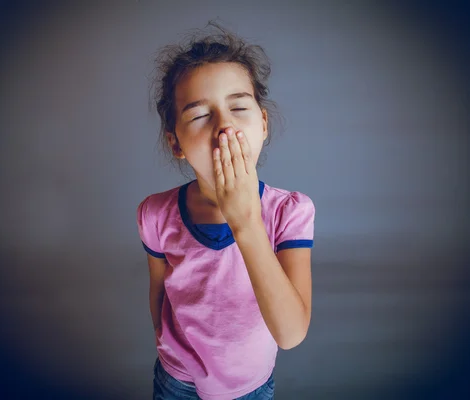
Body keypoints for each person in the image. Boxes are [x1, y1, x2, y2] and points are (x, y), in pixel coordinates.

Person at [137, 22, 315, 400]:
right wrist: (164, 339)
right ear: (176, 143)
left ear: (263, 123)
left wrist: (245, 219)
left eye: (238, 107)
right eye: (200, 115)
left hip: (248, 388)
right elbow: (159, 290)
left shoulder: (289, 212)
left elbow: (291, 333)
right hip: (176, 380)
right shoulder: (156, 214)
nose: (225, 127)